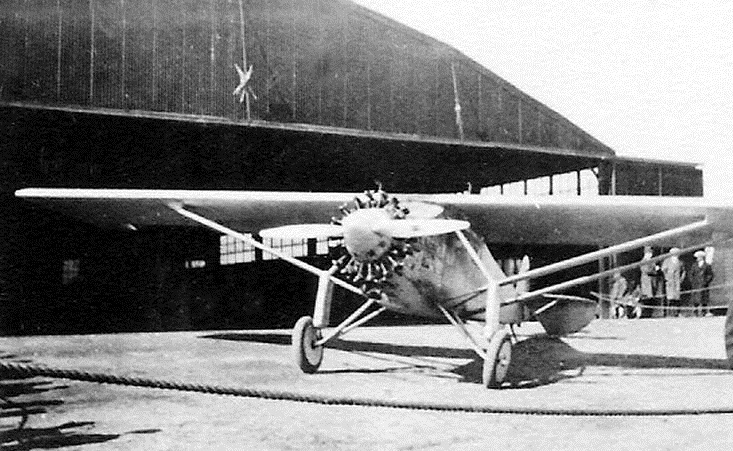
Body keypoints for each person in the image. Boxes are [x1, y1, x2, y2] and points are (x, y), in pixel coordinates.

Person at [688, 250, 714, 316]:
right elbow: (691, 274)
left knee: (704, 298)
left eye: (699, 257)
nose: (697, 258)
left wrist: (706, 281)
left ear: (702, 257)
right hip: (696, 284)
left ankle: (704, 311)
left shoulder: (707, 265)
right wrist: (693, 281)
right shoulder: (694, 265)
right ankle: (695, 311)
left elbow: (710, 275)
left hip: (703, 284)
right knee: (696, 299)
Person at [661, 248, 685, 317]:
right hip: (670, 282)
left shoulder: (680, 262)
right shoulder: (667, 261)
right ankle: (669, 313)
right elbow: (663, 270)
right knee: (669, 298)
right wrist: (667, 277)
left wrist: (681, 279)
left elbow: (683, 271)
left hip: (677, 282)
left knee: (677, 297)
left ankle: (677, 312)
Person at [639, 247, 659, 318]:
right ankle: (645, 314)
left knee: (651, 299)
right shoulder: (644, 261)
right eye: (649, 253)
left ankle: (649, 314)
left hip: (652, 282)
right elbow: (646, 271)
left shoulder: (652, 261)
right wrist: (655, 270)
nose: (650, 254)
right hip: (647, 283)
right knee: (646, 299)